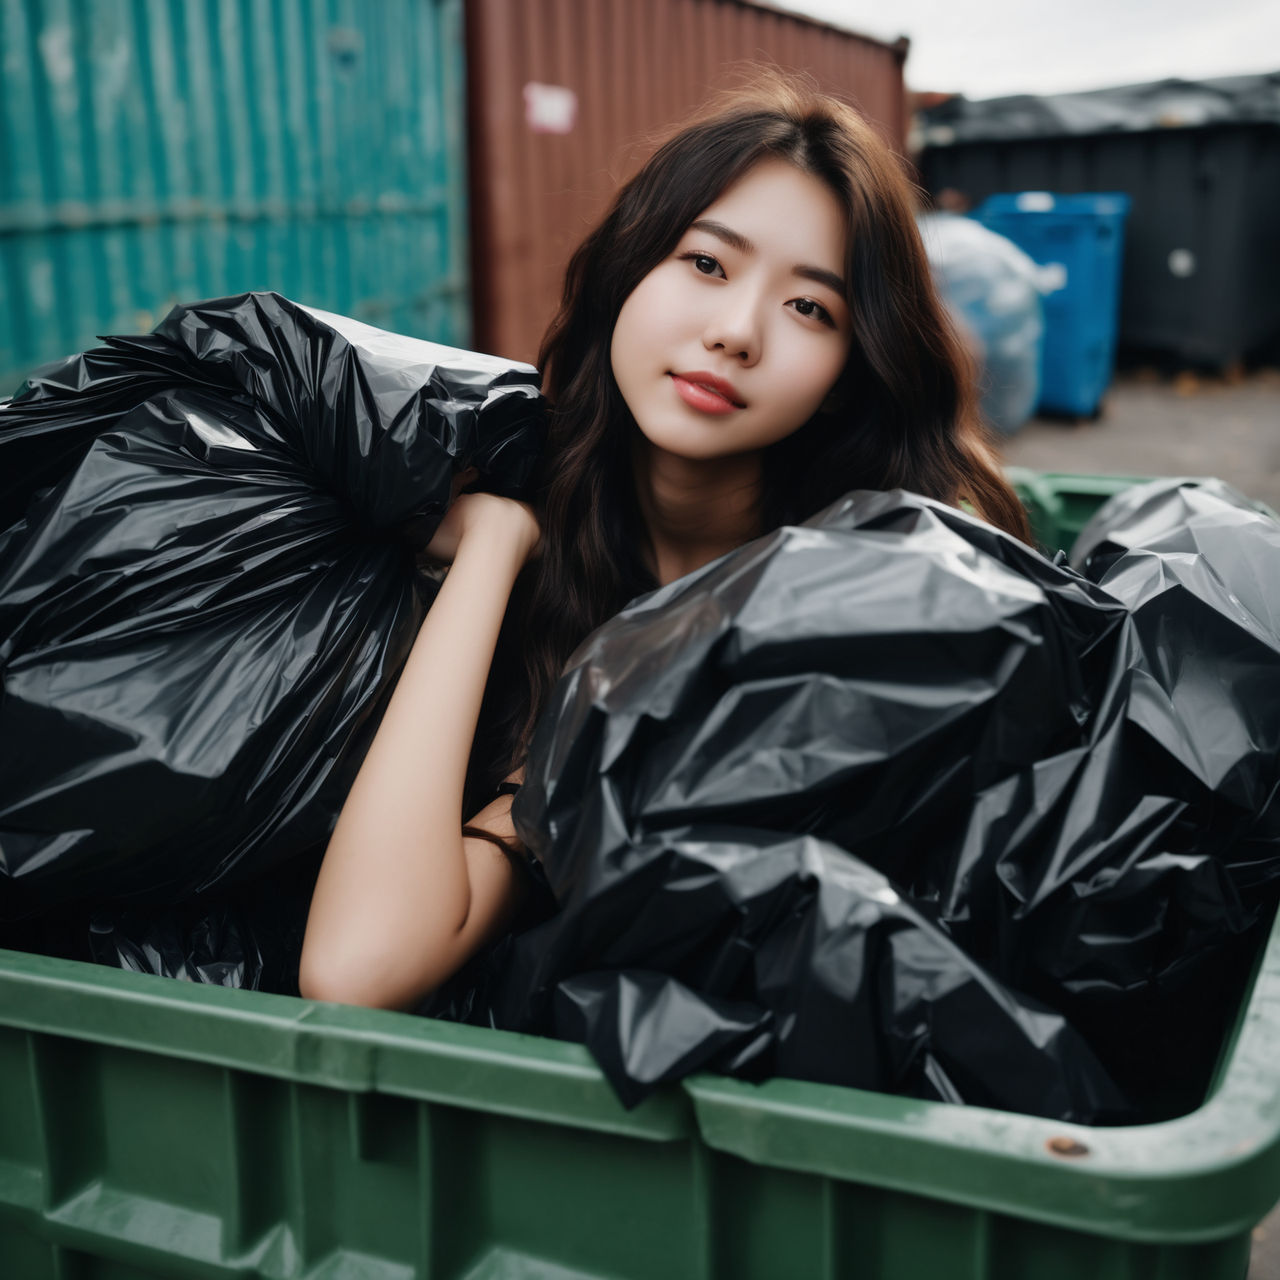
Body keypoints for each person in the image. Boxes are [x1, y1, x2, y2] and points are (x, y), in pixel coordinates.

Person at [297, 73, 1031, 1010]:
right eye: (706, 264)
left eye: (810, 308)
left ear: (852, 371)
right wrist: (498, 548)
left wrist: (485, 547)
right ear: (626, 273)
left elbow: (355, 972)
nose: (734, 333)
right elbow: (358, 962)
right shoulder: (518, 504)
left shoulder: (880, 601)